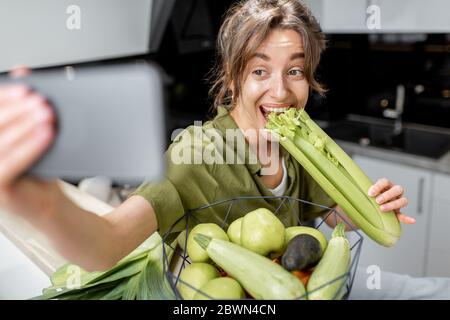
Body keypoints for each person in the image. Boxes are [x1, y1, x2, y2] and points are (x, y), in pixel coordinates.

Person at [0, 0, 448, 299]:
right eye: (259, 71)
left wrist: (358, 209)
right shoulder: (197, 152)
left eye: (294, 71)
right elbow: (105, 245)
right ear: (233, 79)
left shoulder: (299, 141)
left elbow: (320, 216)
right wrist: (45, 204)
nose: (280, 90)